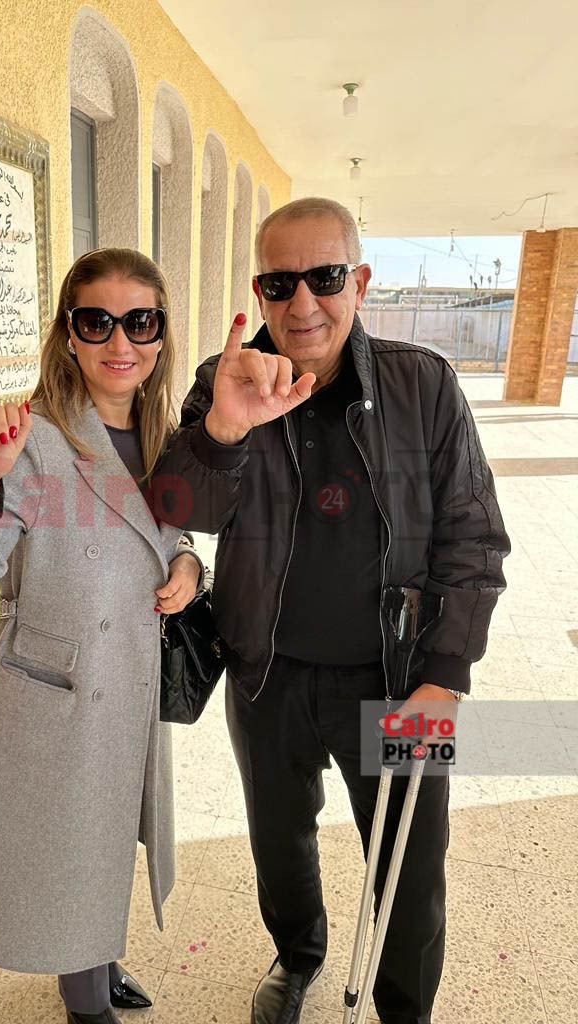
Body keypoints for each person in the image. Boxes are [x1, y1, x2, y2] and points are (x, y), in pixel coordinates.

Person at [152, 198, 510, 1024]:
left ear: (361, 281)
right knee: (279, 841)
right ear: (259, 290)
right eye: (281, 283)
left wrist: (447, 674)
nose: (303, 302)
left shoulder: (424, 383)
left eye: (325, 276)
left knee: (412, 863)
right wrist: (223, 430)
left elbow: (474, 536)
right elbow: (178, 504)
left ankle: (405, 1008)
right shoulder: (223, 378)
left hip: (404, 679)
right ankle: (298, 955)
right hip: (264, 674)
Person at [0, 249, 204, 1024]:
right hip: (62, 684)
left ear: (162, 334)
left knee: (106, 832)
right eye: (96, 321)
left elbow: (168, 532)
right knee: (70, 842)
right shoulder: (31, 437)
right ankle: (85, 1000)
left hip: (128, 674)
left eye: (140, 322)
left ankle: (97, 956)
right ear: (69, 334)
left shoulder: (164, 433)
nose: (120, 342)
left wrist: (187, 563)